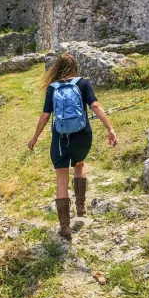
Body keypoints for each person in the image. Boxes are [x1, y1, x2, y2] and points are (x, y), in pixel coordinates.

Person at [27, 53, 117, 240]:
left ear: (57, 69)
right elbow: (96, 105)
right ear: (75, 67)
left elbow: (45, 116)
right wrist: (110, 128)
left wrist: (34, 138)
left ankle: (65, 227)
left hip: (60, 139)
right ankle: (81, 210)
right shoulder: (83, 83)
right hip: (83, 135)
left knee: (61, 179)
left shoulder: (53, 88)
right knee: (80, 165)